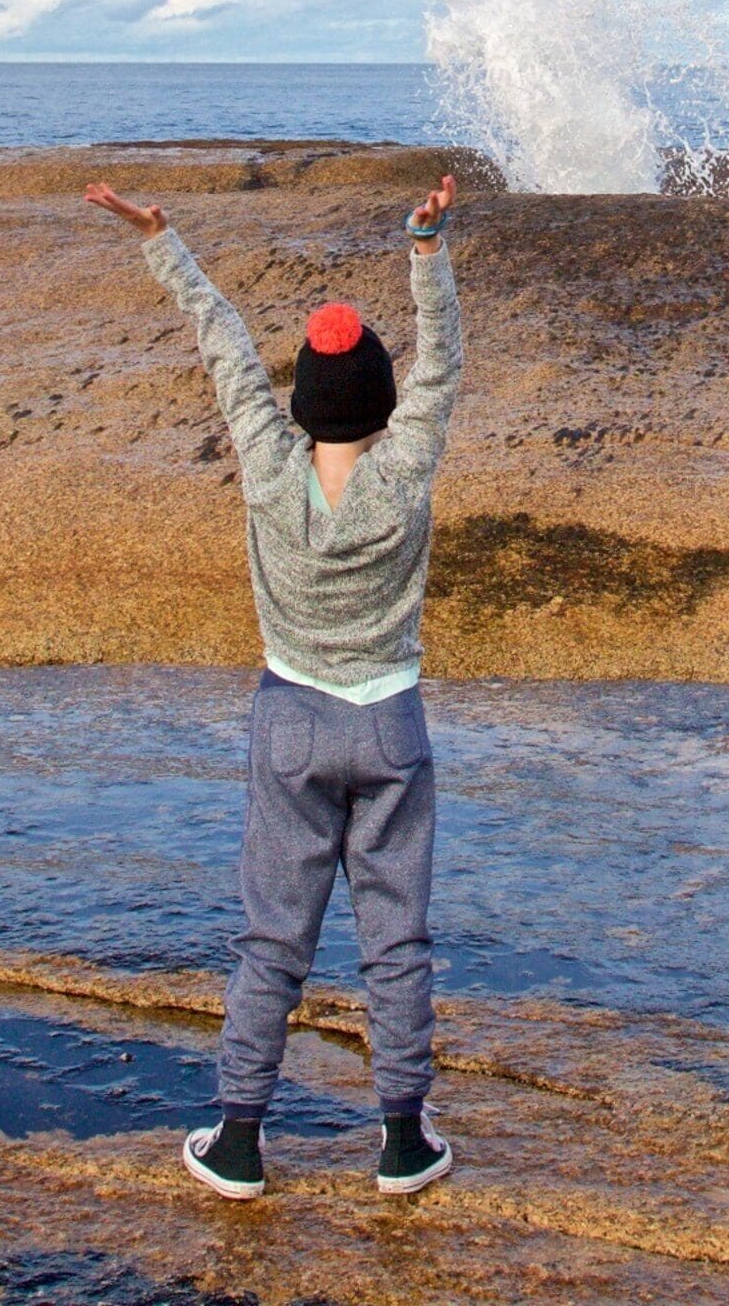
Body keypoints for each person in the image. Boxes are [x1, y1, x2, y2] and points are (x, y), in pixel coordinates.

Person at [82, 170, 462, 1201]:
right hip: (389, 722)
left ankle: (241, 1140)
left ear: (303, 403)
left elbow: (225, 351)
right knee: (397, 940)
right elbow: (443, 372)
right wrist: (424, 252)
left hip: (289, 721)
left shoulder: (263, 459)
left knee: (273, 940)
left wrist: (162, 240)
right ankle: (401, 1143)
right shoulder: (405, 469)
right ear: (381, 400)